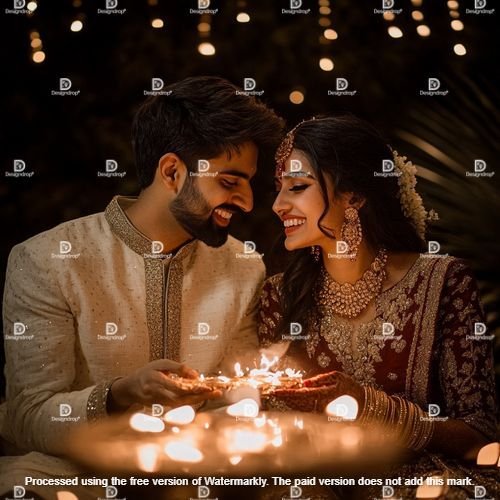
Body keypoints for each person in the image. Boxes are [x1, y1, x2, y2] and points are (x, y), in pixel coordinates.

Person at [0, 76, 284, 496]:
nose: (246, 202)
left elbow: (237, 397)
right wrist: (119, 394)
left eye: (247, 183)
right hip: (74, 477)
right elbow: (29, 416)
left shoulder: (242, 266)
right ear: (172, 171)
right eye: (229, 182)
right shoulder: (47, 260)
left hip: (197, 477)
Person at [257, 116, 499, 499]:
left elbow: (481, 434)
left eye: (298, 187)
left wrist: (370, 407)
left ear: (354, 196)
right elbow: (274, 428)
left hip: (422, 483)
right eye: (278, 189)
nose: (277, 205)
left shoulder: (441, 281)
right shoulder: (280, 296)